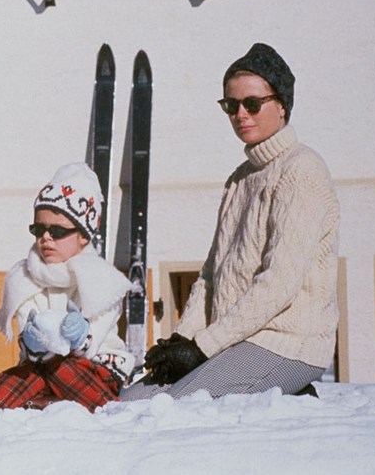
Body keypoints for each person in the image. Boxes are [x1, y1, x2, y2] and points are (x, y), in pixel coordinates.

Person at [121, 43, 340, 401]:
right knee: (131, 403)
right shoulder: (240, 178)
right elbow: (211, 275)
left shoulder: (302, 170)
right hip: (233, 343)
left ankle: (292, 392)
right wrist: (184, 339)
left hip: (286, 343)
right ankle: (286, 395)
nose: (241, 114)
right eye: (231, 105)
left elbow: (279, 283)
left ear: (282, 105)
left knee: (175, 407)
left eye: (252, 103)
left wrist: (202, 347)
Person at [0, 163, 135, 412]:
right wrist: (32, 342)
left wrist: (81, 336)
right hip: (40, 365)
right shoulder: (23, 277)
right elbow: (26, 341)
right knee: (16, 379)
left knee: (63, 370)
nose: (46, 238)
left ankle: (104, 407)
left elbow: (93, 341)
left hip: (93, 366)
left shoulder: (103, 280)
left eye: (58, 231)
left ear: (84, 235)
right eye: (39, 229)